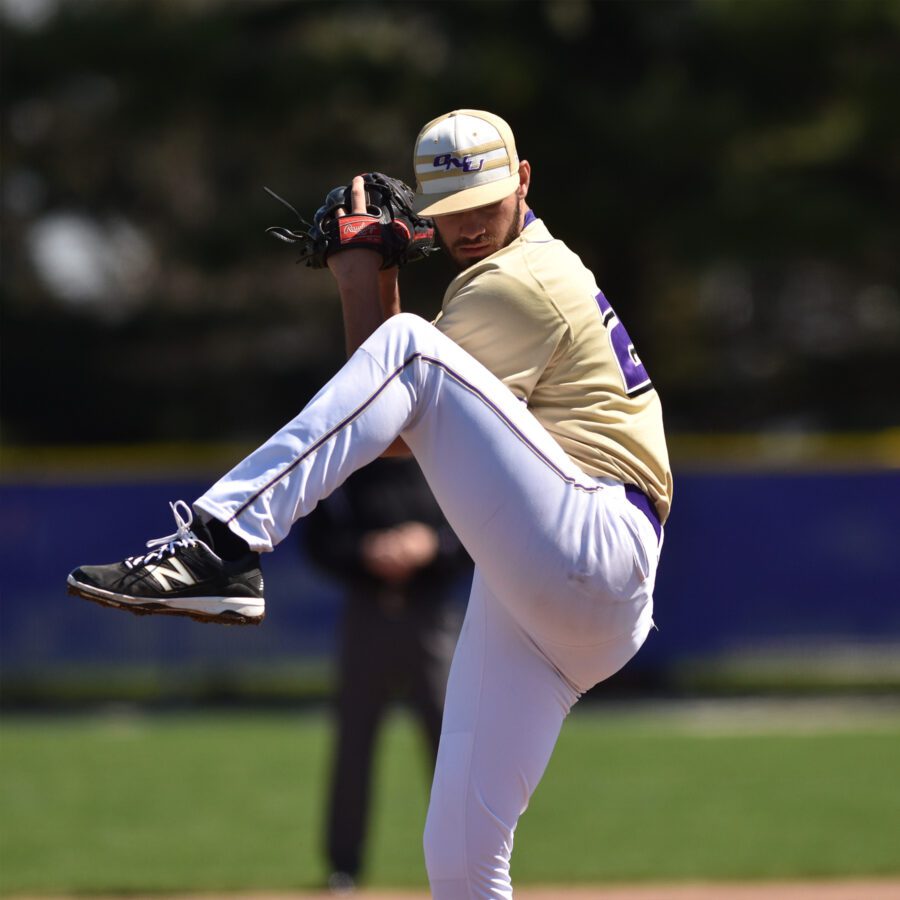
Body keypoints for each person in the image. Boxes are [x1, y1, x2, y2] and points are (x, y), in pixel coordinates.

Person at [68, 109, 673, 898]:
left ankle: (219, 545)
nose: (468, 227)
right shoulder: (503, 275)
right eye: (449, 213)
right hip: (548, 592)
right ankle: (222, 549)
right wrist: (371, 277)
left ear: (523, 182)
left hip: (596, 543)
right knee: (459, 860)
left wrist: (366, 278)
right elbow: (391, 405)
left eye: (485, 204)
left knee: (411, 347)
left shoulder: (524, 280)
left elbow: (395, 407)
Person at [301, 456, 469, 892]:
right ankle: (344, 867)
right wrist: (364, 551)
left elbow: (480, 531)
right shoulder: (349, 462)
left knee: (452, 745)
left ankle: (472, 860)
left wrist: (435, 544)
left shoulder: (445, 454)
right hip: (366, 610)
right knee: (353, 741)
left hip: (432, 614)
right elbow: (319, 539)